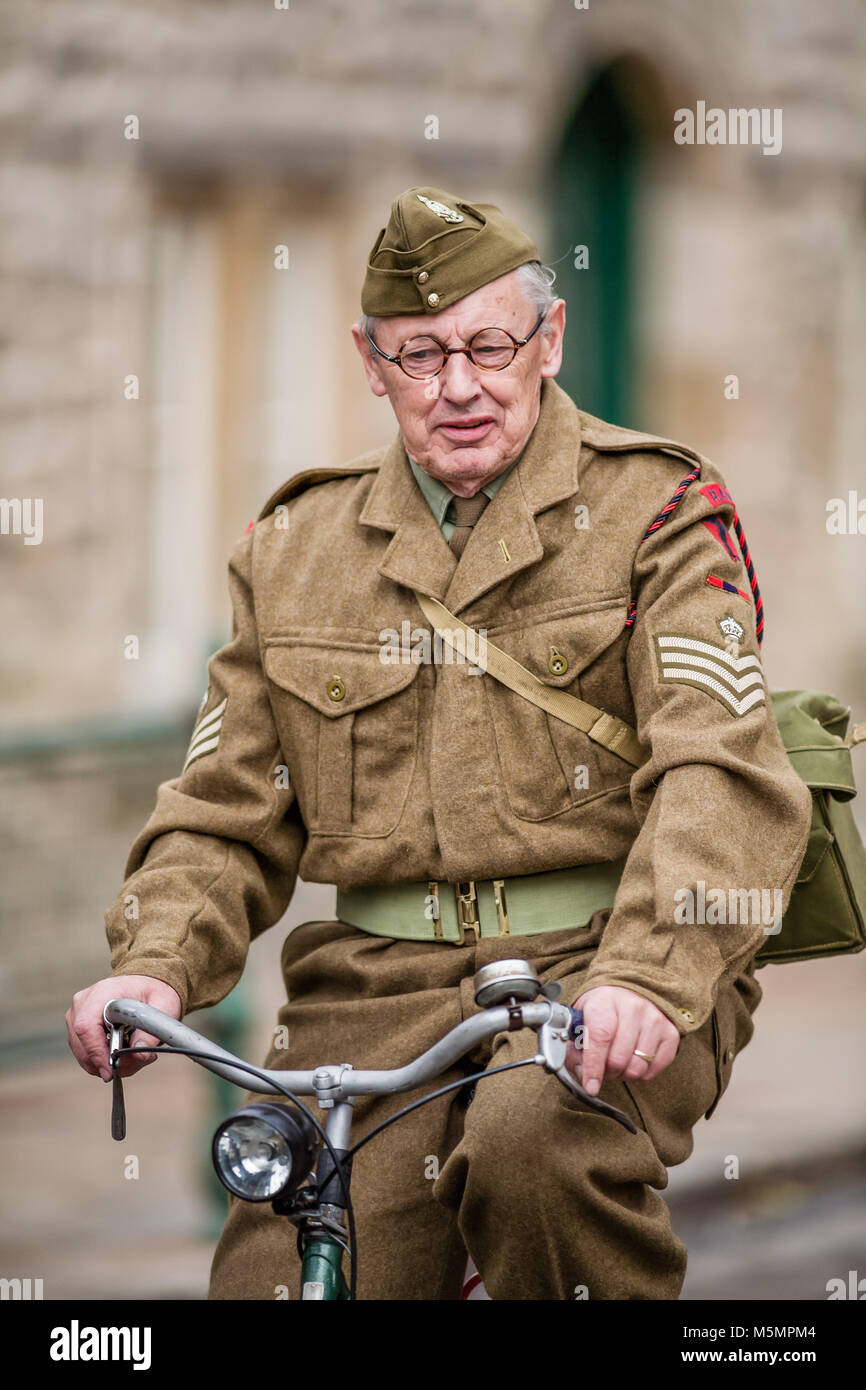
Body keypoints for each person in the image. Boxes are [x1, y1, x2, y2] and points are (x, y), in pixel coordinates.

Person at [67, 185, 812, 1300]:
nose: (456, 386)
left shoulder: (658, 511)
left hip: (594, 968)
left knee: (532, 1149)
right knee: (279, 1263)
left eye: (486, 345)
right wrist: (153, 962)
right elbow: (225, 807)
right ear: (372, 365)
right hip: (368, 994)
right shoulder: (293, 547)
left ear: (547, 341)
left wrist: (650, 979)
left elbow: (718, 772)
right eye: (419, 356)